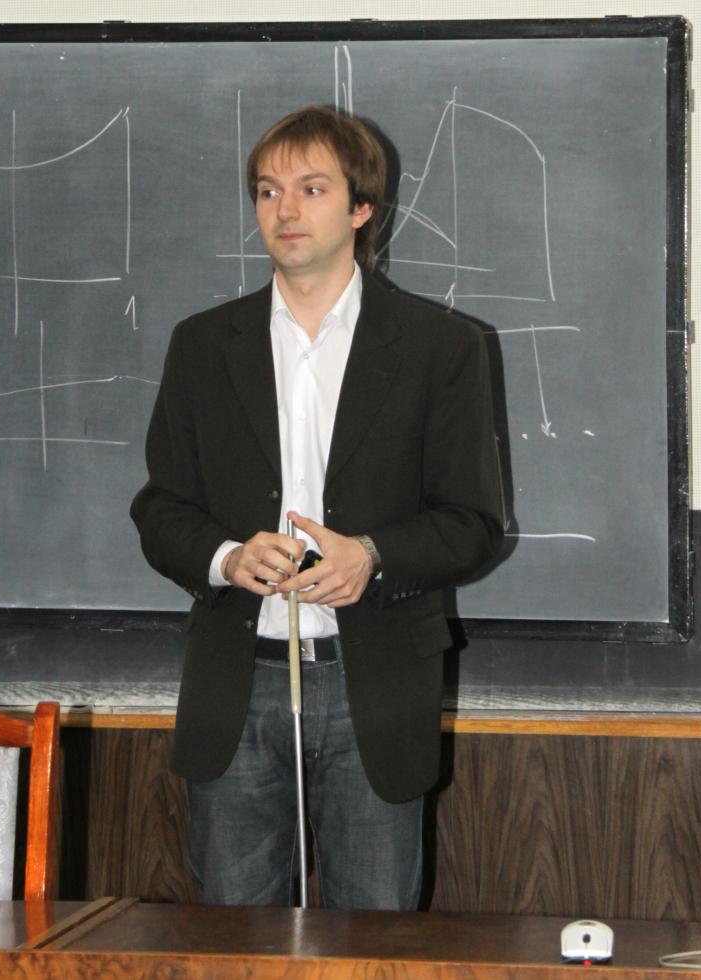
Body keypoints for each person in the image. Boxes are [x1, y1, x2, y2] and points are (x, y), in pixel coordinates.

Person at [131, 105, 503, 910]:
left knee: (373, 948)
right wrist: (227, 557)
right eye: (267, 191)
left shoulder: (440, 347)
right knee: (235, 950)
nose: (285, 210)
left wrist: (372, 556)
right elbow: (160, 509)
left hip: (376, 688)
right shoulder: (203, 344)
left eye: (311, 188)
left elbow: (472, 523)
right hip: (237, 684)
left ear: (363, 207)